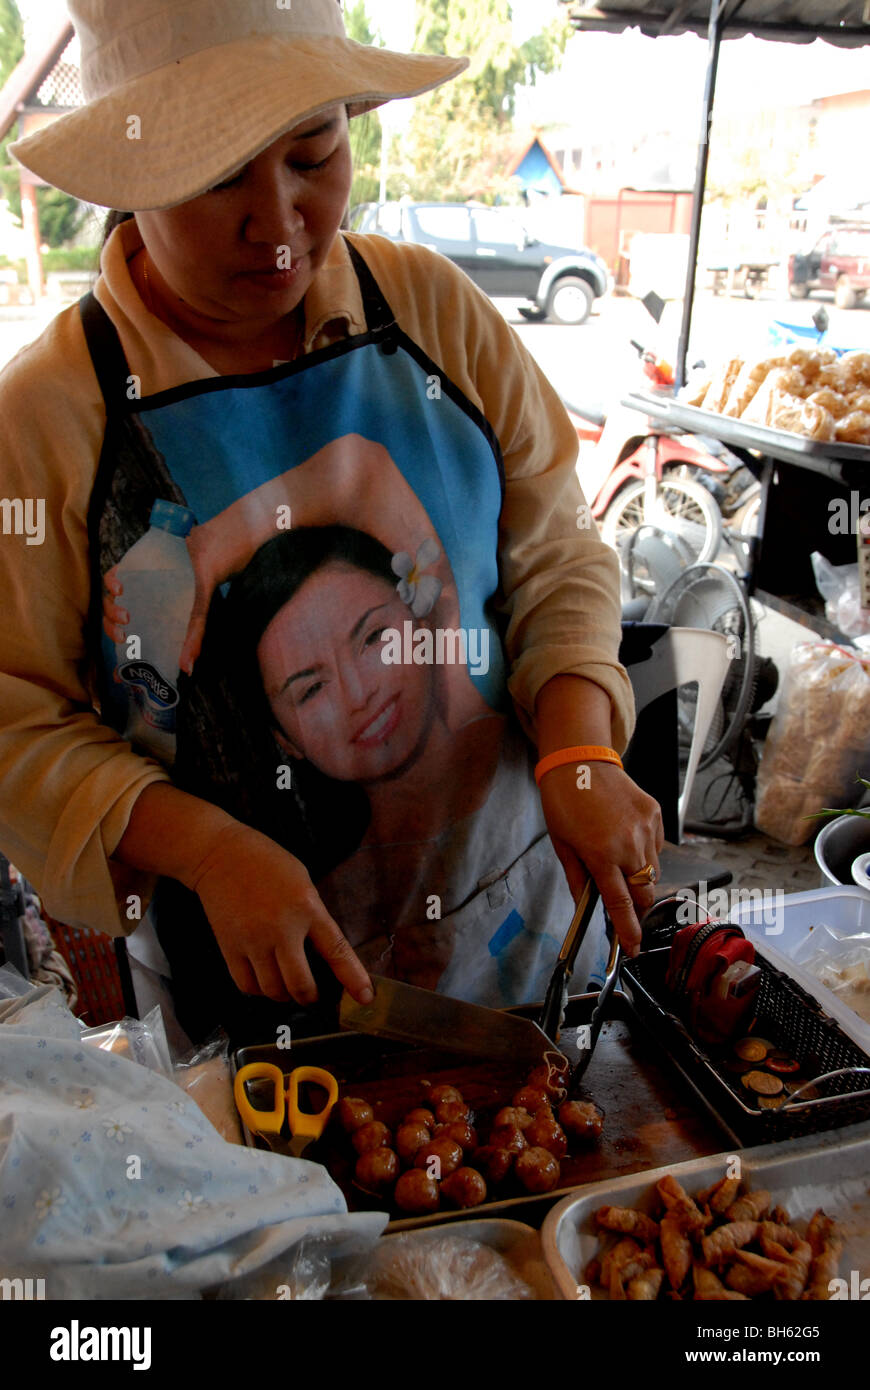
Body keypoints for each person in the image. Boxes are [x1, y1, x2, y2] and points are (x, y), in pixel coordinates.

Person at [0, 0, 663, 1043]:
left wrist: (578, 748)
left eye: (315, 153)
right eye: (220, 177)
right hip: (248, 996)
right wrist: (208, 848)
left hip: (520, 932)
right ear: (134, 181)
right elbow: (15, 716)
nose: (279, 222)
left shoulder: (432, 313)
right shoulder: (51, 409)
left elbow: (553, 550)